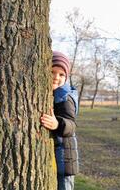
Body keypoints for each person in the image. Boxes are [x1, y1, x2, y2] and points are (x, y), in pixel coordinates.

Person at [40, 51, 79, 190]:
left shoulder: (65, 97)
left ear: (66, 77)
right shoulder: (53, 94)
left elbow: (72, 125)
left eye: (61, 74)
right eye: (52, 72)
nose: (56, 77)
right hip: (58, 155)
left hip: (65, 158)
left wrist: (58, 124)